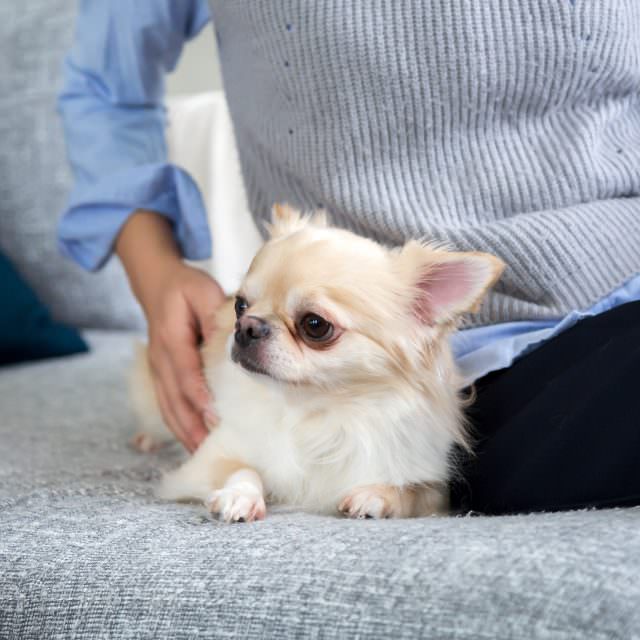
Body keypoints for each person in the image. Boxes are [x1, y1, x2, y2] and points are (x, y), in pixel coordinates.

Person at [58, 1, 640, 514]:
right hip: (493, 372)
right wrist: (156, 272)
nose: (248, 329)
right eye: (244, 309)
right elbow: (107, 91)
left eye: (314, 327)